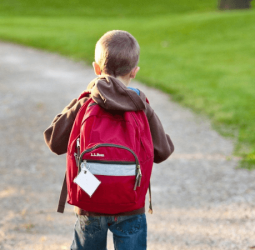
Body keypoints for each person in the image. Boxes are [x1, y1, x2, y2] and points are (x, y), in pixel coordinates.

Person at [44, 30, 174, 250]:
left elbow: (54, 141)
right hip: (130, 205)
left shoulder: (86, 103)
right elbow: (162, 152)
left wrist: (79, 100)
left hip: (90, 201)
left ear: (96, 69)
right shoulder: (141, 106)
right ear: (134, 72)